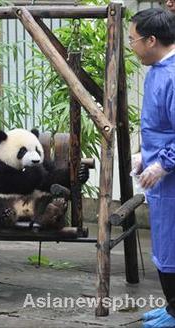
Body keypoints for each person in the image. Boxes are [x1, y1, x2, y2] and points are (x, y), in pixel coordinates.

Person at [128, 8, 175, 328]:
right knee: (164, 246)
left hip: (171, 180)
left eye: (133, 40)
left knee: (172, 248)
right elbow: (160, 125)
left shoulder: (172, 75)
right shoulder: (158, 69)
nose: (132, 46)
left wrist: (165, 164)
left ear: (152, 40)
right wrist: (145, 154)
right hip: (160, 180)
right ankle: (172, 307)